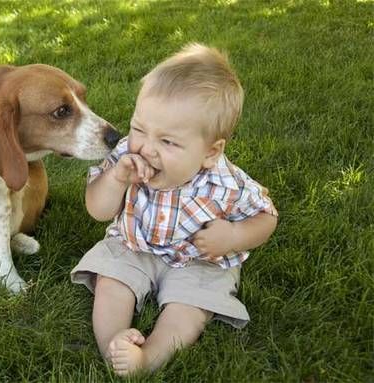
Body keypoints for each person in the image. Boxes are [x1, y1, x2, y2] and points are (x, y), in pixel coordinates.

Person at [71, 43, 278, 376]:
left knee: (189, 308)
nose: (147, 148)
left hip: (198, 261)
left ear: (210, 152)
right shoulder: (125, 157)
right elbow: (97, 209)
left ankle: (149, 358)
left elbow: (267, 216)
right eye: (140, 129)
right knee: (112, 280)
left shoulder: (225, 183)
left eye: (168, 142)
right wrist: (116, 180)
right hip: (133, 245)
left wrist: (235, 235)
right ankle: (114, 345)